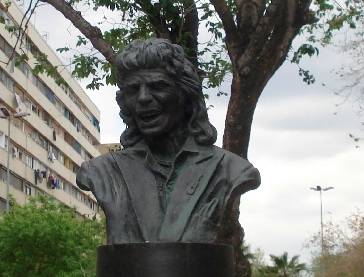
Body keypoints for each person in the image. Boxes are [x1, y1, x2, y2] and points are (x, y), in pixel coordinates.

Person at [77, 39, 261, 243]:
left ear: (185, 95)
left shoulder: (230, 169)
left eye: (158, 86)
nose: (143, 98)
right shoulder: (101, 172)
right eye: (133, 90)